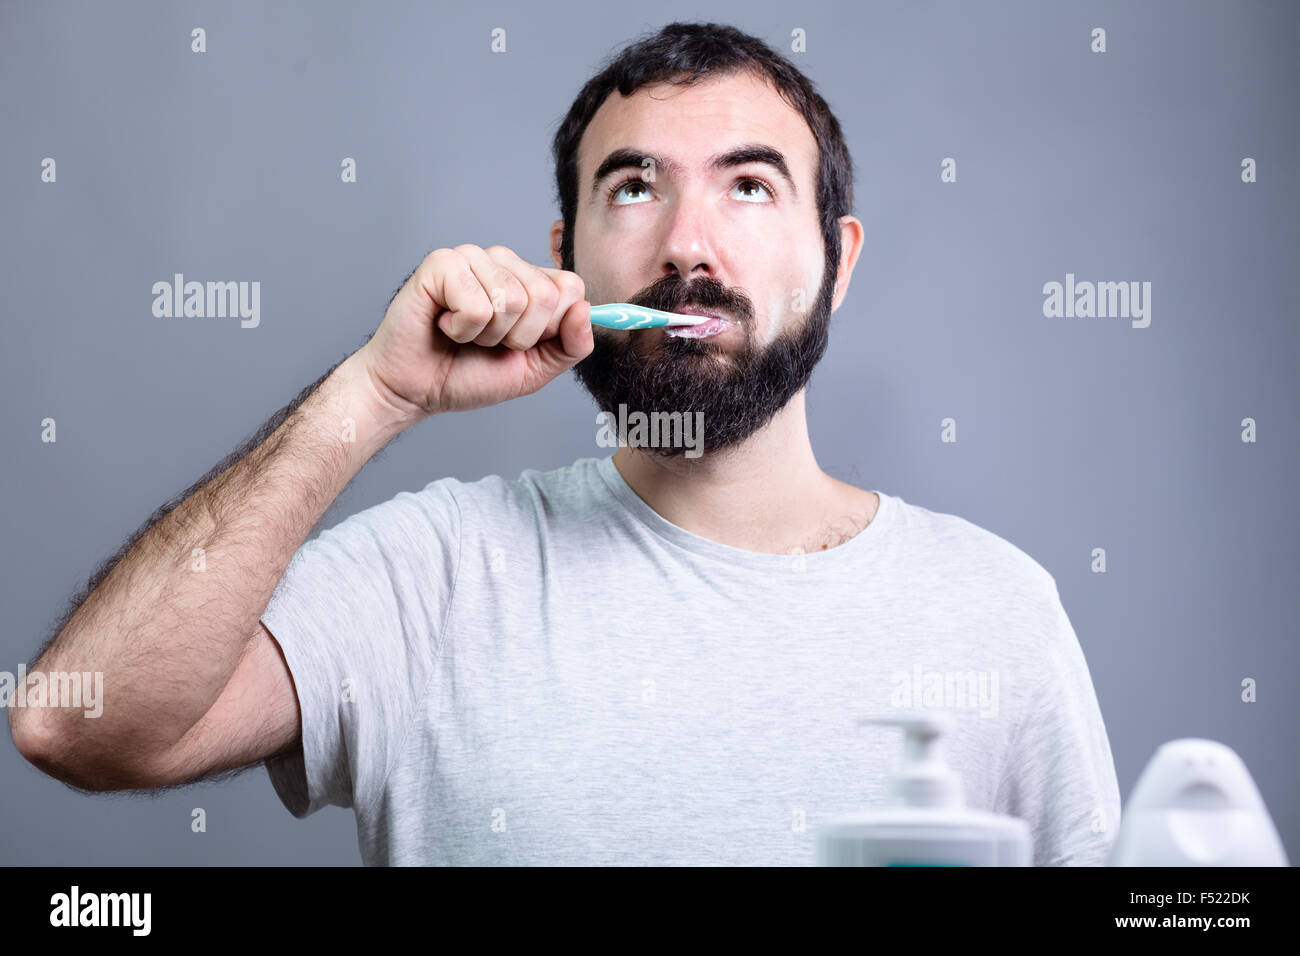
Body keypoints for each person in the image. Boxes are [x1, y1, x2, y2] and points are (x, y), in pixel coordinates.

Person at [11, 21, 1121, 866]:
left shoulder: (994, 610)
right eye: (633, 186)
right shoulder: (432, 573)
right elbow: (72, 723)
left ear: (838, 257)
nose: (688, 245)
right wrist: (374, 391)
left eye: (747, 186)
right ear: (567, 252)